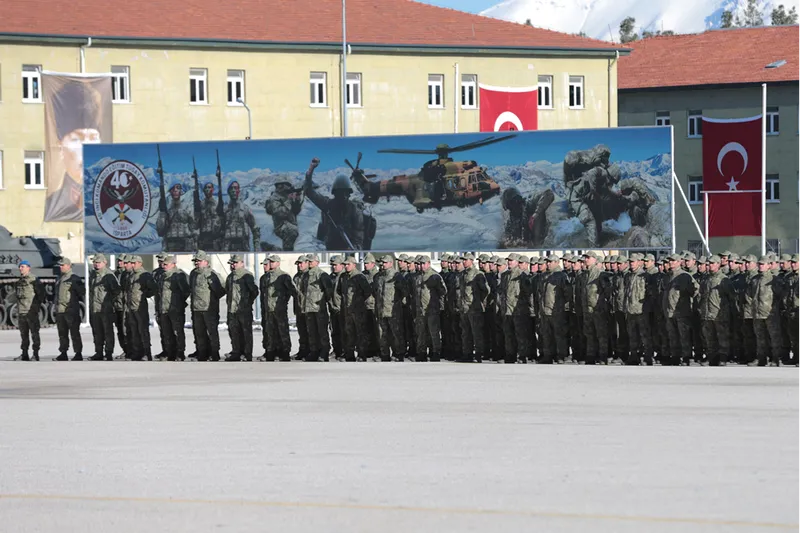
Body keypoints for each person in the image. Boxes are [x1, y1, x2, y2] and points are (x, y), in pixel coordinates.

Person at [45, 78, 106, 221]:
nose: (86, 148)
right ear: (61, 147)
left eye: (93, 138)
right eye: (76, 139)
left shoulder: (110, 202)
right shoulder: (54, 204)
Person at [304, 158, 364, 250]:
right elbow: (309, 192)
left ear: (348, 194)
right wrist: (311, 169)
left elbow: (359, 234)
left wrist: (354, 248)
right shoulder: (328, 204)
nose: (343, 196)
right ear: (335, 193)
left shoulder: (354, 209)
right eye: (340, 193)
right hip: (331, 247)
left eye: (345, 193)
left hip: (348, 248)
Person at [259, 254, 297, 362]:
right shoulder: (265, 277)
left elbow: (292, 291)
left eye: (273, 262)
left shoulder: (284, 276)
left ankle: (285, 352)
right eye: (270, 262)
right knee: (270, 332)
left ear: (278, 263)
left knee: (282, 331)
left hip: (279, 309)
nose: (271, 264)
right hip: (268, 309)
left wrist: (283, 301)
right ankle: (270, 352)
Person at [189, 250, 226, 362]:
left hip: (209, 309)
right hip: (196, 309)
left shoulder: (211, 274)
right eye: (195, 261)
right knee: (199, 333)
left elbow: (220, 291)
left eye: (199, 261)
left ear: (206, 261)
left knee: (212, 332)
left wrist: (211, 302)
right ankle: (202, 353)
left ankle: (214, 353)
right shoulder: (193, 274)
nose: (196, 263)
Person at [224, 254, 259, 361]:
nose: (233, 265)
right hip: (232, 310)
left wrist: (247, 303)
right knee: (234, 332)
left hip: (244, 310)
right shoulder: (230, 277)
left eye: (235, 263)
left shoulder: (246, 276)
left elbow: (254, 291)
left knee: (246, 333)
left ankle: (247, 354)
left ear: (242, 263)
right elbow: (227, 291)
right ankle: (236, 352)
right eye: (232, 263)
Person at [413, 255, 446, 362]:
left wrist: (438, 305)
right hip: (420, 310)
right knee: (421, 333)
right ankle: (421, 353)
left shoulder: (434, 276)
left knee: (434, 332)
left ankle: (435, 352)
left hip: (431, 309)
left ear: (428, 263)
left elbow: (443, 291)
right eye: (420, 264)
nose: (422, 266)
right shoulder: (417, 277)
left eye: (424, 263)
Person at [300, 254, 333, 362]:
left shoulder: (322, 274)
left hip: (319, 308)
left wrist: (324, 302)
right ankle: (314, 351)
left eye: (311, 261)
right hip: (308, 308)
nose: (309, 263)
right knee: (311, 331)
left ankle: (324, 351)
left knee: (322, 331)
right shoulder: (305, 275)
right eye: (308, 261)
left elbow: (328, 290)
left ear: (317, 262)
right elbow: (303, 290)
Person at [373, 254, 406, 362]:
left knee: (396, 334)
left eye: (385, 262)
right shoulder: (377, 277)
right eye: (381, 262)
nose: (382, 264)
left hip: (393, 311)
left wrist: (398, 304)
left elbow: (404, 292)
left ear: (391, 263)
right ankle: (385, 355)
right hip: (381, 310)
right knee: (382, 334)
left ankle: (399, 354)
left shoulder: (396, 276)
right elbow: (375, 292)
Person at [88, 253, 120, 361]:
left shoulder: (108, 275)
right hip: (95, 308)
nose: (96, 264)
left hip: (105, 309)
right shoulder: (93, 275)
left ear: (104, 263)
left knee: (107, 332)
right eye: (95, 262)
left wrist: (110, 303)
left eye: (98, 262)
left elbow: (116, 291)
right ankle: (98, 352)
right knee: (97, 332)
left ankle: (108, 353)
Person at [158, 255, 190, 361]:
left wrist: (178, 302)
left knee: (177, 332)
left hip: (175, 309)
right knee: (167, 332)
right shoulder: (163, 276)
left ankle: (180, 353)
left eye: (166, 264)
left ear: (173, 264)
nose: (163, 266)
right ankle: (170, 353)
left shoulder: (178, 275)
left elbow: (186, 291)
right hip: (164, 308)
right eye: (163, 264)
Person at [11, 260, 45, 361]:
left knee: (34, 333)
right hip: (21, 312)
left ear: (28, 268)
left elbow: (41, 295)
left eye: (23, 266)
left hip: (31, 312)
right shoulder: (20, 281)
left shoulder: (33, 280)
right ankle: (24, 353)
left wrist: (35, 308)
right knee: (23, 334)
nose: (20, 268)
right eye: (20, 266)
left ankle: (35, 354)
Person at [458, 252, 489, 363]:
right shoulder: (462, 274)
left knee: (476, 333)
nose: (464, 262)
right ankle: (467, 353)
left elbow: (485, 290)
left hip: (474, 308)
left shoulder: (477, 274)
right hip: (464, 308)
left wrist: (478, 302)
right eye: (463, 260)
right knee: (465, 333)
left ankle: (479, 354)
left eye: (466, 260)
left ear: (471, 261)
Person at [125, 255, 157, 361]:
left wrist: (144, 295)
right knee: (134, 331)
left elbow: (153, 288)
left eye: (134, 263)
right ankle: (137, 352)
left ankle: (146, 353)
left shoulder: (145, 275)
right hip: (131, 306)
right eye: (131, 263)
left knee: (143, 330)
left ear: (140, 263)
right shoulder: (131, 275)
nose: (132, 265)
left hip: (140, 307)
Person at [53, 257, 85, 361]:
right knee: (62, 333)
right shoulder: (59, 278)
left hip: (70, 310)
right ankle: (63, 352)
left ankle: (78, 353)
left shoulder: (74, 278)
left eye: (63, 265)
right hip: (60, 310)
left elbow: (82, 292)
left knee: (74, 333)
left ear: (68, 266)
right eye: (60, 265)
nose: (61, 267)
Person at [156, 183, 197, 252]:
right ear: (170, 191)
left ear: (181, 191)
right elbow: (160, 231)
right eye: (173, 189)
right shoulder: (166, 209)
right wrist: (162, 212)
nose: (175, 190)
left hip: (186, 246)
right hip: (170, 246)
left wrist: (195, 244)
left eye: (178, 188)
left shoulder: (187, 207)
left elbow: (194, 227)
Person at [265, 178, 304, 251]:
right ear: (280, 186)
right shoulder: (274, 197)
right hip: (280, 226)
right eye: (287, 185)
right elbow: (280, 213)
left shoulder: (286, 195)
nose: (289, 187)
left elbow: (296, 211)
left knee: (292, 235)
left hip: (291, 224)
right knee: (291, 232)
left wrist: (297, 200)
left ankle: (275, 249)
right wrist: (289, 200)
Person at [223, 181, 260, 251]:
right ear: (228, 191)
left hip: (243, 248)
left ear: (239, 191)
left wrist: (256, 248)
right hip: (228, 249)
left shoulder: (245, 209)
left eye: (235, 188)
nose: (233, 190)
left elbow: (255, 229)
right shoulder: (224, 210)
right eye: (231, 188)